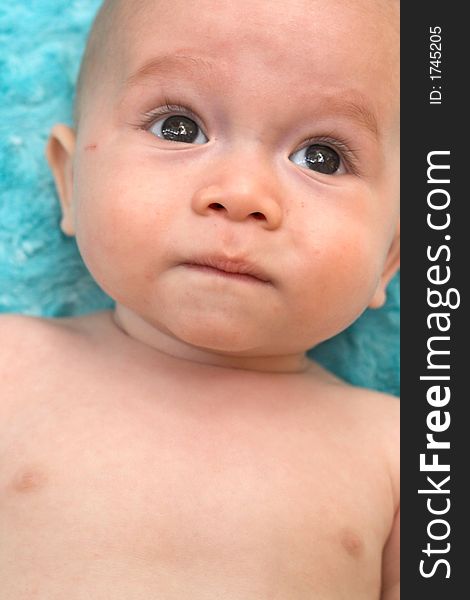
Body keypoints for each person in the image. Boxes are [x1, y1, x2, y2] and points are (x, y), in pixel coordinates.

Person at [0, 0, 400, 597]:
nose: (241, 195)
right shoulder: (12, 367)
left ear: (389, 261)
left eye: (323, 157)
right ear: (70, 183)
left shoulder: (402, 455)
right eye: (178, 127)